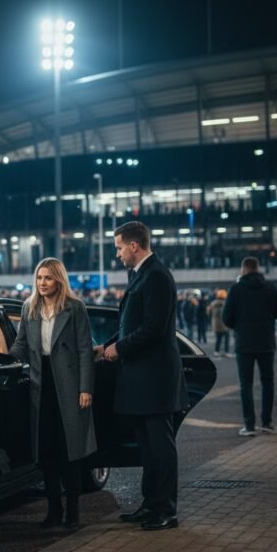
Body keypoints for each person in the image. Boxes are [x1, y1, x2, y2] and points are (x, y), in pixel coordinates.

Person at [97, 221, 187, 531]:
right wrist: (108, 344)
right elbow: (129, 323)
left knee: (160, 447)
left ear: (134, 246)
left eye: (120, 247)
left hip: (155, 379)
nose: (118, 254)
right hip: (141, 378)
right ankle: (150, 505)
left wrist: (119, 349)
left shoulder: (157, 276)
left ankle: (166, 510)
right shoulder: (143, 275)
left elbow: (153, 328)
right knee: (148, 448)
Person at [9, 257, 96, 530]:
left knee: (69, 451)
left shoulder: (75, 307)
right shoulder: (29, 308)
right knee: (46, 452)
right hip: (40, 384)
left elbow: (85, 350)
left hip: (69, 385)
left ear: (58, 279)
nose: (42, 283)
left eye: (47, 278)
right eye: (39, 278)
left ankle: (73, 512)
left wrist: (85, 388)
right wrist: (1, 361)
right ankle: (53, 511)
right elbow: (21, 345)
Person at [222, 257, 277, 436]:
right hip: (266, 342)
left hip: (244, 343)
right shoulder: (271, 288)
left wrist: (240, 327)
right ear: (258, 269)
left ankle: (249, 425)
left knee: (246, 384)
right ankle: (267, 422)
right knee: (268, 382)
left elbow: (227, 318)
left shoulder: (236, 289)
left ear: (244, 270)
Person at [207, 289, 231, 357]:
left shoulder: (213, 303)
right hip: (225, 324)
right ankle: (227, 352)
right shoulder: (226, 303)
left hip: (216, 325)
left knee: (218, 339)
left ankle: (216, 351)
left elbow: (208, 313)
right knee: (226, 339)